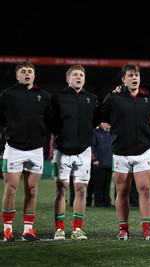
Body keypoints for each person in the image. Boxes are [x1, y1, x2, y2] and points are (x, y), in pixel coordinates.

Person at [101, 64, 150, 241]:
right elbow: (99, 116)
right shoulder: (113, 98)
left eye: (136, 74)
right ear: (123, 79)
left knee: (145, 190)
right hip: (120, 152)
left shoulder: (149, 99)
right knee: (122, 192)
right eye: (130, 75)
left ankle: (147, 228)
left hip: (143, 152)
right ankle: (123, 229)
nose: (134, 78)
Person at [0, 61, 52, 242]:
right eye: (23, 71)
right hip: (13, 149)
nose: (27, 74)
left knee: (32, 189)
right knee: (11, 189)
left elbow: (50, 121)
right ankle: (7, 229)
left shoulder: (44, 96)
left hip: (36, 149)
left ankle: (28, 229)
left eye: (30, 71)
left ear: (34, 75)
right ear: (17, 76)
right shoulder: (7, 95)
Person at [50, 64, 100, 240]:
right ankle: (59, 229)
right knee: (61, 189)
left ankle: (77, 229)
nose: (79, 78)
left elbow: (94, 121)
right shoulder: (57, 98)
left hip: (83, 151)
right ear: (68, 79)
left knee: (80, 189)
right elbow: (50, 121)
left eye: (81, 75)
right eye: (75, 75)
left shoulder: (92, 99)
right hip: (61, 150)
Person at [87, 122, 113, 207]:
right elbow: (92, 147)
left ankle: (106, 201)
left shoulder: (111, 133)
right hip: (99, 163)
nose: (109, 124)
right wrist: (95, 159)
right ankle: (98, 201)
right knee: (98, 183)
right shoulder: (95, 132)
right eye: (107, 122)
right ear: (101, 123)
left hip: (109, 162)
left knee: (107, 184)